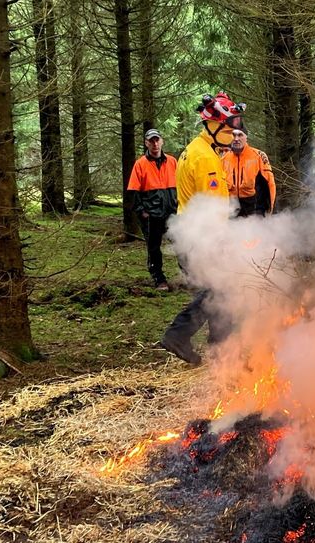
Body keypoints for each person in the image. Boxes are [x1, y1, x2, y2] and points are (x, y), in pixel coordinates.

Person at [160, 92, 245, 365]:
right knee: (217, 292)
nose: (234, 133)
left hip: (193, 232)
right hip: (202, 236)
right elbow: (215, 208)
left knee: (220, 291)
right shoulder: (205, 159)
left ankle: (221, 350)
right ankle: (178, 335)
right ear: (213, 125)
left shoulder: (199, 150)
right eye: (230, 128)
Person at [128, 128, 178, 291]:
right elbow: (133, 191)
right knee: (154, 247)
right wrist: (142, 211)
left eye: (157, 140)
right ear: (146, 143)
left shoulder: (172, 161)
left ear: (162, 141)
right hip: (151, 215)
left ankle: (189, 275)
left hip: (171, 213)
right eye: (151, 140)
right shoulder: (140, 164)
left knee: (181, 243)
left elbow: (181, 184)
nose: (155, 143)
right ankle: (159, 278)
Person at [223, 128, 276, 217]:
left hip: (254, 207)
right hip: (231, 208)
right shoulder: (224, 158)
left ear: (246, 137)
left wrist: (269, 209)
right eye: (233, 135)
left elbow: (269, 183)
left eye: (240, 135)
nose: (236, 139)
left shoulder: (258, 156)